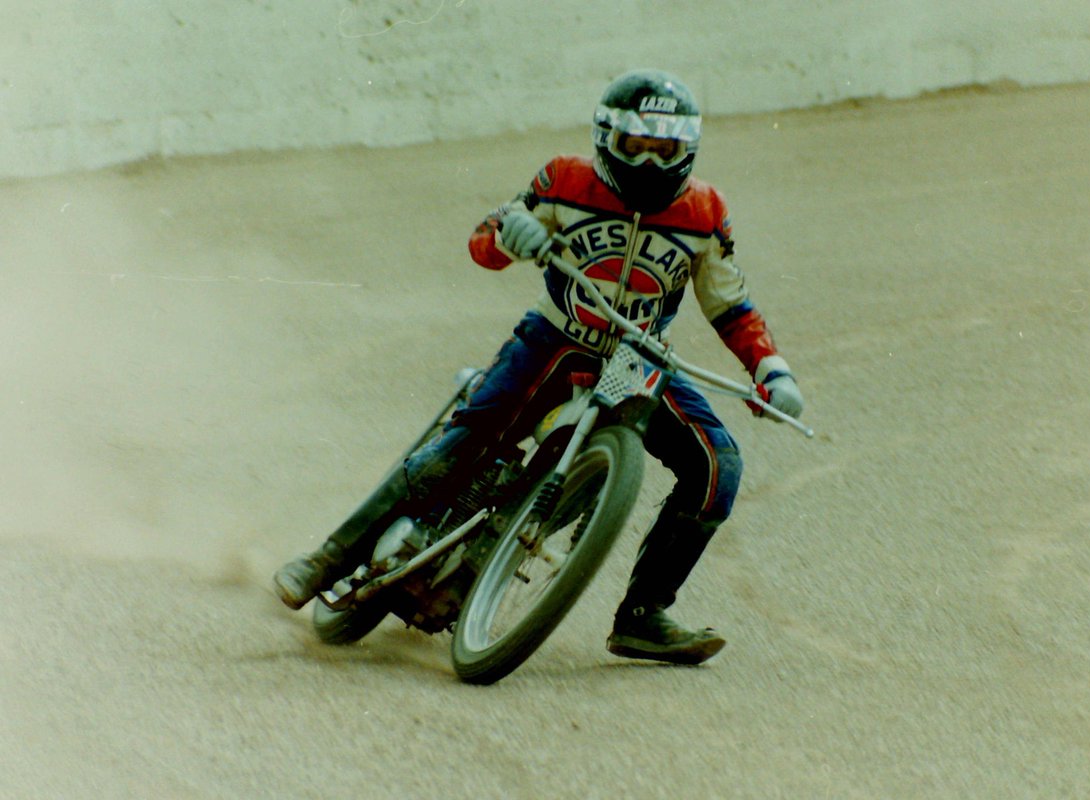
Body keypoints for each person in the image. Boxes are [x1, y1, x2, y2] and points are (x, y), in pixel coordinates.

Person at [273, 68, 805, 665]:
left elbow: (730, 304)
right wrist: (510, 234)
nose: (651, 165)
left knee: (718, 466)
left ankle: (643, 617)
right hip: (556, 339)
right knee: (471, 437)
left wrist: (772, 370)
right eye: (638, 147)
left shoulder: (706, 212)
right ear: (607, 139)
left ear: (689, 151)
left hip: (642, 357)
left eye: (667, 152)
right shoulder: (563, 179)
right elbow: (484, 244)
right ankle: (328, 558)